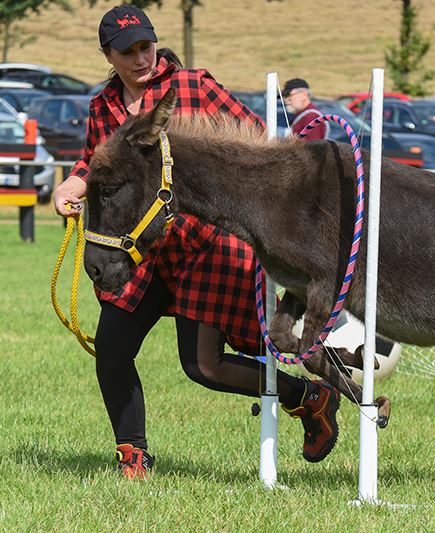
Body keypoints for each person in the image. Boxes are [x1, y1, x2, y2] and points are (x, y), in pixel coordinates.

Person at [52, 5, 340, 479]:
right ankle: (133, 457)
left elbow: (255, 138)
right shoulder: (101, 106)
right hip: (141, 250)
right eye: (128, 52)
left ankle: (308, 398)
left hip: (205, 244)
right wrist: (71, 185)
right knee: (112, 349)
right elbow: (96, 164)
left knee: (203, 367)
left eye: (146, 46)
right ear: (108, 54)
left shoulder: (192, 86)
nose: (141, 58)